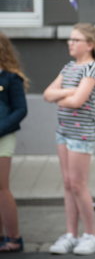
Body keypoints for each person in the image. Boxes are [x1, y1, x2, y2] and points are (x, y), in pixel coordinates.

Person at [43, 23, 95, 255]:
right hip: (63, 131)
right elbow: (47, 94)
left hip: (82, 134)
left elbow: (77, 101)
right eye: (70, 39)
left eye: (76, 39)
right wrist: (69, 92)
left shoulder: (92, 68)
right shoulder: (69, 67)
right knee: (68, 185)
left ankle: (91, 235)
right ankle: (71, 234)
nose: (70, 43)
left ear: (89, 45)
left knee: (79, 185)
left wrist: (64, 96)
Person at [0, 32, 28, 253]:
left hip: (3, 137)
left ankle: (14, 238)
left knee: (2, 188)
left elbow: (20, 110)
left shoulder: (11, 78)